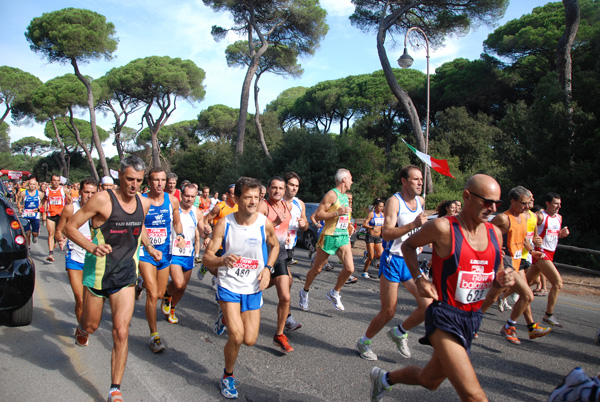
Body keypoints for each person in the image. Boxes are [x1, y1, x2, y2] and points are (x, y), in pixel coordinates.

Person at [370, 174, 515, 401]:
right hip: (445, 317)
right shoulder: (443, 227)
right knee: (474, 395)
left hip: (471, 318)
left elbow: (495, 275)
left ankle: (385, 379)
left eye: (497, 203)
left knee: (430, 381)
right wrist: (419, 278)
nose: (493, 208)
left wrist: (503, 279)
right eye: (488, 202)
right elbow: (408, 246)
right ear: (467, 197)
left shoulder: (495, 233)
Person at [64, 155, 157, 402]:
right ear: (119, 174)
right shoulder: (102, 199)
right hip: (98, 273)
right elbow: (70, 227)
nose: (134, 185)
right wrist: (91, 247)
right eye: (129, 179)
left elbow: (140, 226)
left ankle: (115, 388)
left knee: (121, 331)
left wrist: (148, 246)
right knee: (92, 325)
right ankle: (82, 327)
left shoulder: (144, 202)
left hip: (126, 274)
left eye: (138, 180)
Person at [202, 177, 278, 399]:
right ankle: (228, 376)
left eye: (257, 197)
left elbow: (275, 246)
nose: (253, 201)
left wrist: (268, 269)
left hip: (253, 286)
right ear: (236, 198)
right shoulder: (225, 224)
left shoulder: (264, 223)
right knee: (236, 336)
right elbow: (207, 258)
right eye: (248, 197)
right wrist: (222, 260)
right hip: (229, 284)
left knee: (250, 339)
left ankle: (225, 317)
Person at [357, 166, 430, 361]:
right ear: (404, 181)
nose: (420, 182)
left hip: (411, 260)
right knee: (389, 311)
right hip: (394, 259)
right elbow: (386, 233)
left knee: (428, 305)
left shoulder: (421, 201)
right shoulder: (393, 202)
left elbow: (421, 229)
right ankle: (364, 341)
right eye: (415, 179)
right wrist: (413, 225)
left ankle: (400, 332)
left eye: (421, 179)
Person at [481, 186, 551, 344]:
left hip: (517, 262)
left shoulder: (524, 217)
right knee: (527, 295)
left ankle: (473, 320)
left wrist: (532, 251)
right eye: (523, 203)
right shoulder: (503, 218)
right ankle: (509, 326)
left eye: (528, 203)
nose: (527, 206)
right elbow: (485, 233)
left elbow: (523, 237)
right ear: (513, 201)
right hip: (505, 262)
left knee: (492, 297)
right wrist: (496, 248)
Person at [135, 168, 185, 353]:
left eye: (163, 180)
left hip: (164, 253)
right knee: (152, 293)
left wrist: (179, 235)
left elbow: (177, 222)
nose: (160, 183)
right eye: (156, 180)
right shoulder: (141, 200)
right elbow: (139, 225)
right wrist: (148, 246)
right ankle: (154, 336)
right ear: (149, 181)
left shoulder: (172, 200)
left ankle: (139, 284)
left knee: (158, 294)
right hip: (146, 252)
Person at [298, 168, 354, 312]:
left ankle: (334, 292)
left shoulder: (345, 196)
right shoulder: (331, 194)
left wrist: (348, 226)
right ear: (344, 180)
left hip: (342, 236)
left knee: (350, 268)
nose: (352, 181)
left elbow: (344, 216)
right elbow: (318, 215)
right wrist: (336, 212)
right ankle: (304, 292)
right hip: (329, 236)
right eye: (350, 179)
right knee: (317, 269)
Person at [258, 176, 298, 352]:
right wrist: (275, 223)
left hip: (280, 255)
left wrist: (287, 234)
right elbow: (256, 230)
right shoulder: (263, 206)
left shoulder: (287, 206)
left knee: (286, 296)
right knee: (253, 288)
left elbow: (285, 227)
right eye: (274, 188)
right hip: (261, 255)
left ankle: (280, 334)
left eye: (281, 188)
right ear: (268, 189)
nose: (277, 191)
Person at [161, 183, 205, 324]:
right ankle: (167, 295)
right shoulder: (173, 208)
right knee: (178, 283)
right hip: (173, 252)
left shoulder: (197, 212)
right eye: (186, 195)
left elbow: (202, 228)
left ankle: (172, 308)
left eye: (192, 196)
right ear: (181, 195)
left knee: (183, 287)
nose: (189, 199)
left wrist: (207, 232)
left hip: (188, 253)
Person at [55, 178, 98, 323]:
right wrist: (61, 238)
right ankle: (82, 330)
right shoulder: (70, 209)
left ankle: (85, 324)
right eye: (86, 192)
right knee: (80, 299)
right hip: (75, 258)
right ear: (80, 192)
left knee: (90, 301)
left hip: (94, 261)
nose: (89, 196)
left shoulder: (101, 211)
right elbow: (59, 230)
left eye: (93, 192)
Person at [528, 192, 570, 328]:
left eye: (560, 204)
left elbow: (553, 235)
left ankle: (501, 293)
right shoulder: (540, 217)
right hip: (541, 253)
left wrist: (561, 235)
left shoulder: (559, 218)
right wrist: (534, 238)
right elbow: (528, 229)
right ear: (548, 203)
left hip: (551, 253)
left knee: (527, 283)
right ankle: (548, 315)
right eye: (556, 204)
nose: (559, 206)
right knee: (558, 283)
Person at [282, 172, 308, 334]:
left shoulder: (300, 204)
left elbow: (304, 225)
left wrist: (304, 224)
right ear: (285, 185)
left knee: (280, 282)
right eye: (292, 185)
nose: (294, 188)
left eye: (297, 186)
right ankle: (287, 318)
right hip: (274, 248)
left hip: (290, 248)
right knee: (287, 282)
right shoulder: (277, 203)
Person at [42, 174, 72, 262]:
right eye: (54, 180)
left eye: (57, 180)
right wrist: (42, 210)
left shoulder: (63, 190)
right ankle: (51, 253)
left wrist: (68, 209)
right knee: (51, 233)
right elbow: (44, 199)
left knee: (59, 233)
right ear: (51, 181)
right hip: (50, 214)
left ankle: (57, 240)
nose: (56, 182)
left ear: (60, 181)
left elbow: (70, 200)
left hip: (60, 215)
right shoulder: (47, 190)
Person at [361, 198, 385, 279]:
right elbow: (364, 224)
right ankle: (364, 271)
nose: (381, 208)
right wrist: (371, 227)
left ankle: (366, 254)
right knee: (371, 257)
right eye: (380, 206)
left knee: (380, 254)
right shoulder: (371, 214)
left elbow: (382, 225)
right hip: (370, 236)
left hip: (378, 237)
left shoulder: (382, 215)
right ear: (375, 206)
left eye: (382, 206)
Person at [17, 176, 42, 245]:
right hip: (26, 215)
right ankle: (28, 247)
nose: (32, 186)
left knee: (35, 233)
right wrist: (19, 209)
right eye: (31, 184)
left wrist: (39, 209)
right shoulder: (23, 193)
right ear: (28, 185)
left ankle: (35, 236)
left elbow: (44, 202)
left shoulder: (39, 193)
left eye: (33, 184)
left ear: (36, 185)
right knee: (27, 233)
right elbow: (18, 202)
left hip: (35, 215)